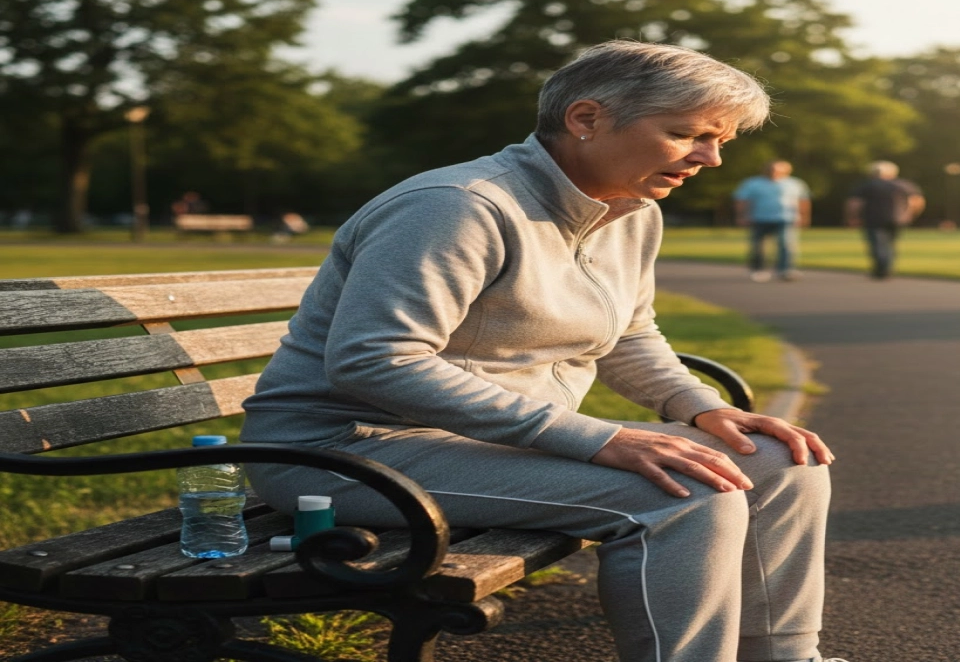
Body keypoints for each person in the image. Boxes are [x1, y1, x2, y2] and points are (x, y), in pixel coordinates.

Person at [241, 41, 836, 662]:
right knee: (682, 497)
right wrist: (599, 439)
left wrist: (700, 407)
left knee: (782, 462)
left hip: (488, 442)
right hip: (347, 451)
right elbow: (377, 360)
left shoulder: (632, 212)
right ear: (585, 120)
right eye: (685, 133)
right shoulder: (456, 207)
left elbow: (628, 334)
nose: (710, 158)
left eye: (721, 140)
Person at [843, 161, 925, 279]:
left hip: (873, 219)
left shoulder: (867, 185)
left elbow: (854, 203)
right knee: (890, 244)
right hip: (898, 219)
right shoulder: (904, 185)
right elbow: (917, 201)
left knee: (877, 244)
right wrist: (911, 214)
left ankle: (881, 270)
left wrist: (853, 217)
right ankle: (887, 268)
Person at [734, 160, 811, 282]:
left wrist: (804, 216)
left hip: (786, 218)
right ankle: (758, 270)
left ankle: (785, 270)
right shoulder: (753, 183)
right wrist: (742, 216)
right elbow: (743, 201)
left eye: (777, 170)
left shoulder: (795, 183)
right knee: (758, 246)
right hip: (759, 218)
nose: (773, 172)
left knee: (786, 244)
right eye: (771, 169)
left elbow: (803, 201)